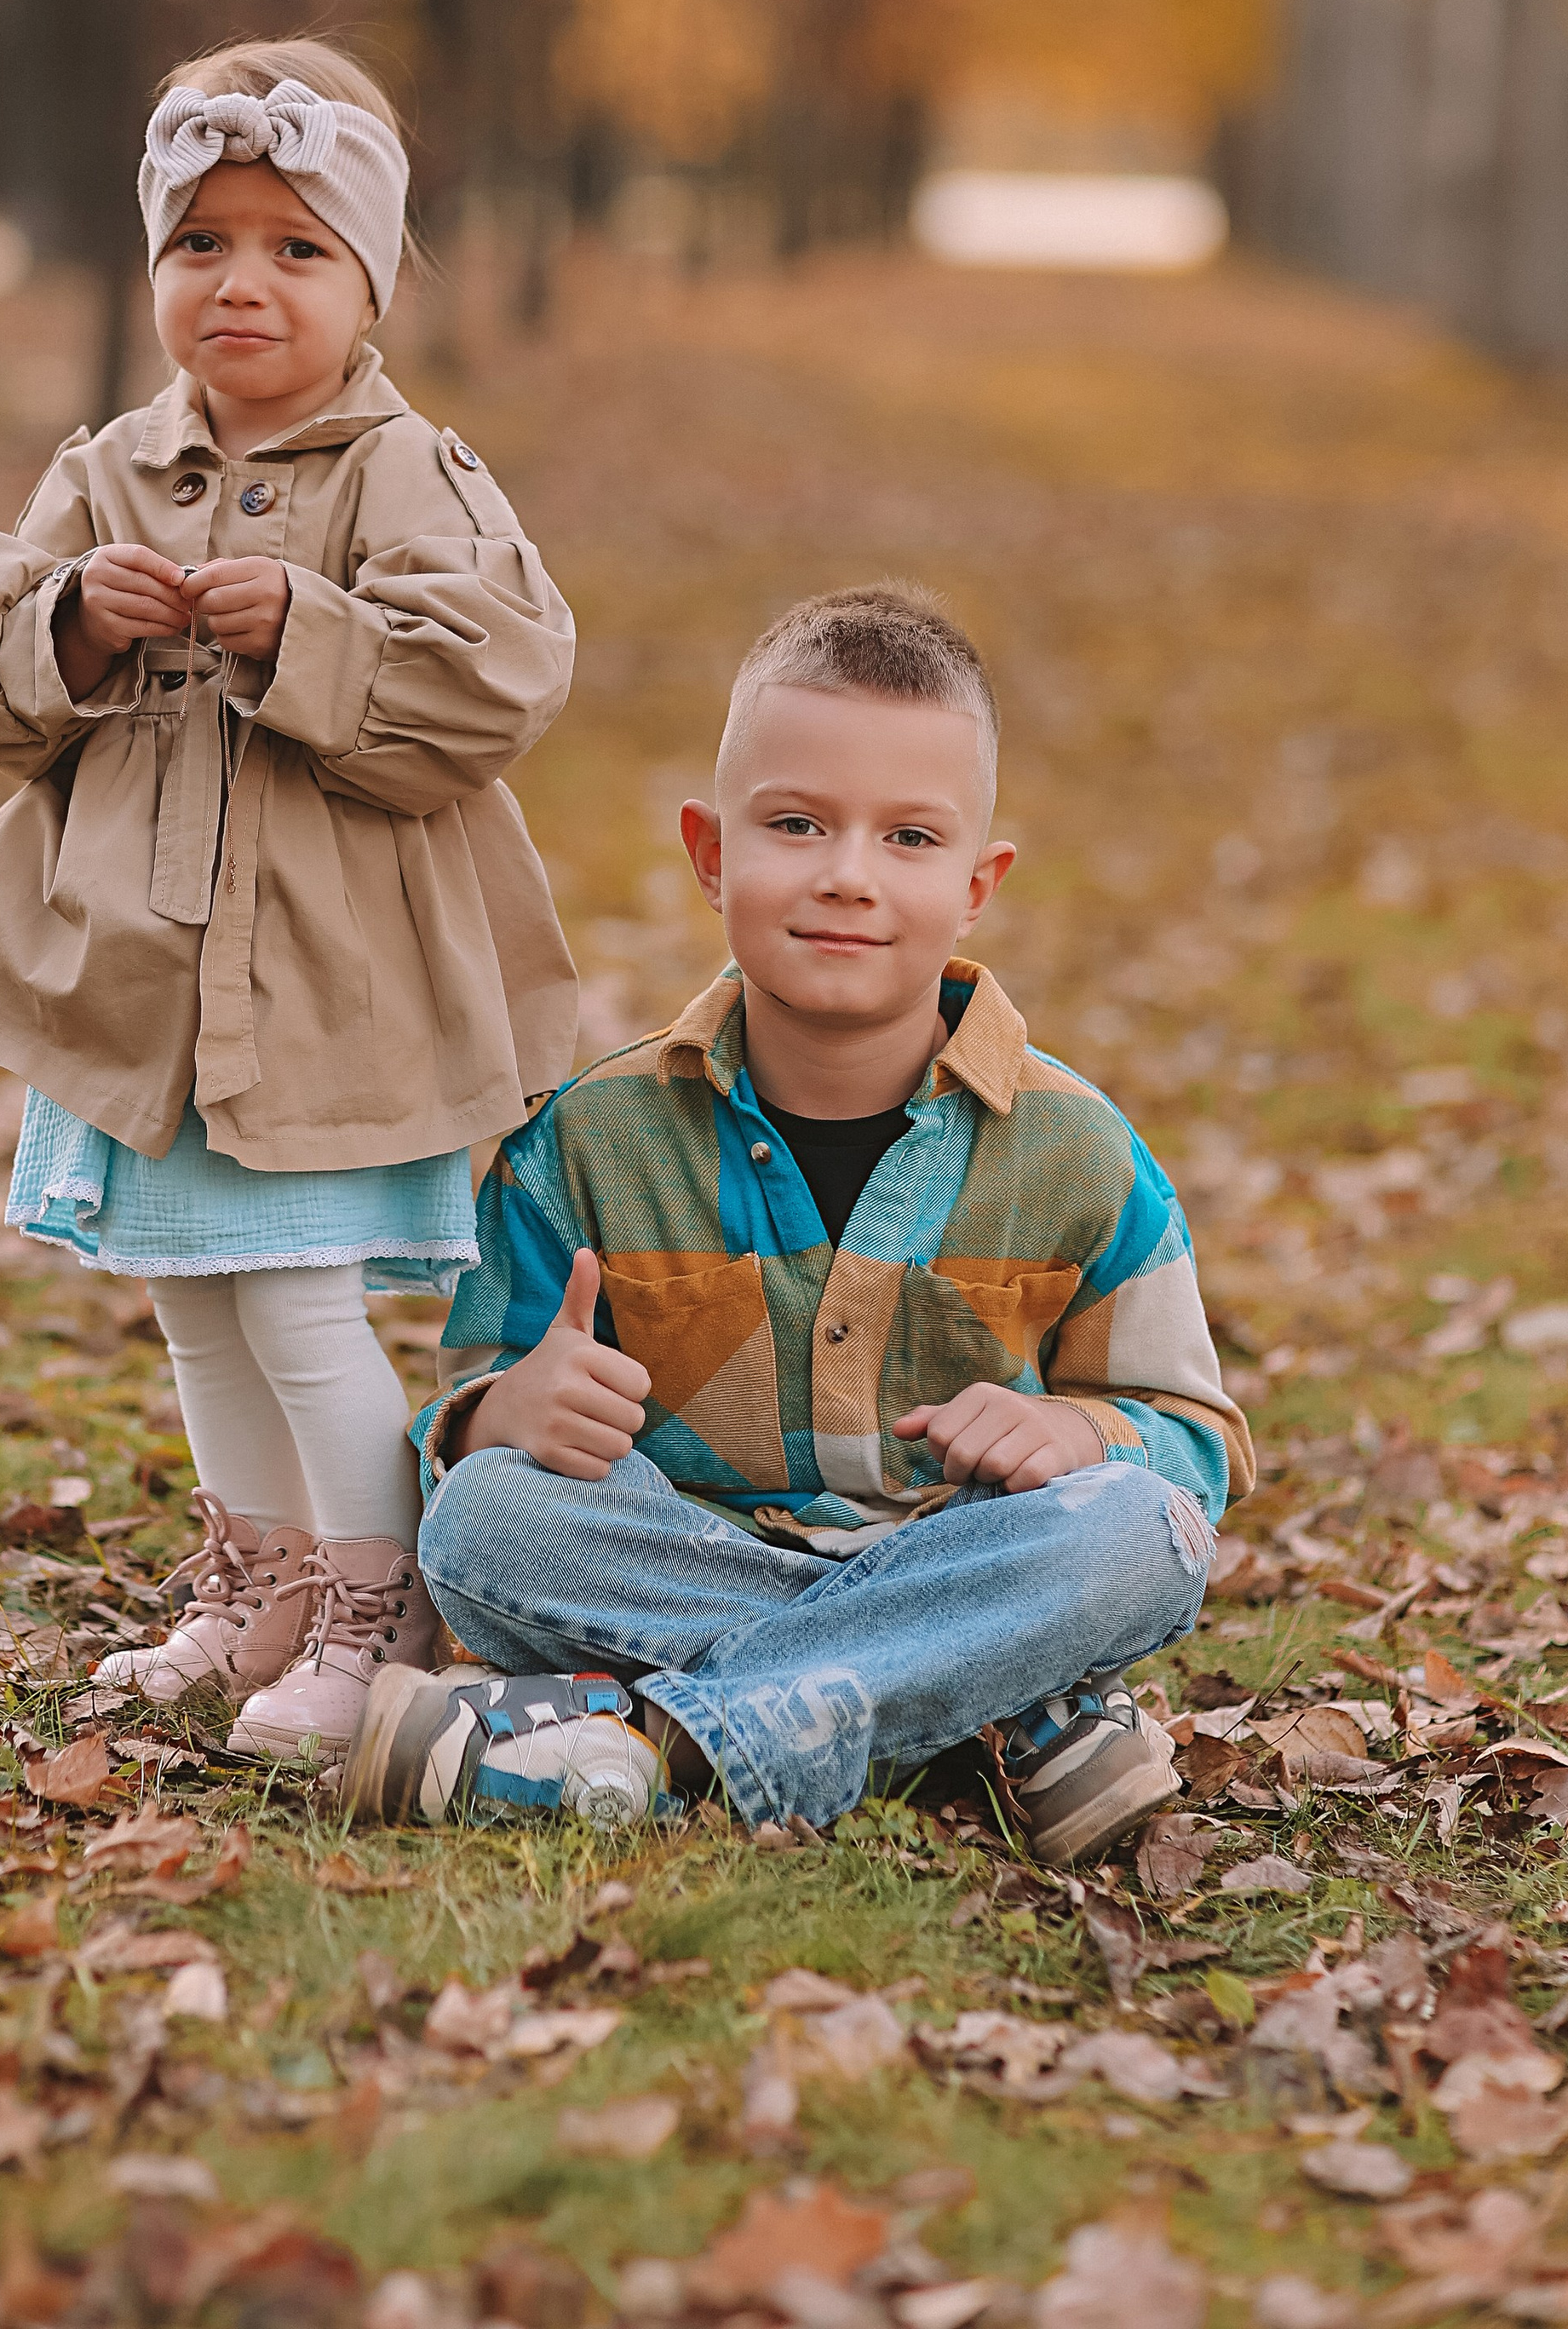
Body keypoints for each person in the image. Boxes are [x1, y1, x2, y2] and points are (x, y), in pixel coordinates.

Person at [0, 40, 578, 1759]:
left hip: (327, 981)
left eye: (294, 248)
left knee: (292, 1297)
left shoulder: (408, 472)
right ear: (150, 270)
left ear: (376, 280)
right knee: (192, 1295)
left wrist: (310, 632)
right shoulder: (109, 468)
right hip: (146, 977)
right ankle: (252, 1584)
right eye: (201, 244)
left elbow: (498, 677)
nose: (241, 283)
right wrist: (70, 618)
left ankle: (370, 1599)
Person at [344, 583, 1252, 1866]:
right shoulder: (587, 1144)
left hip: (962, 1551)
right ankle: (992, 1719)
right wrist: (508, 1410)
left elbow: (1196, 1448)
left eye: (910, 840)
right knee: (491, 1517)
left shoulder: (1078, 1155)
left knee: (1140, 1533)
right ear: (712, 853)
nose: (846, 876)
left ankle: (647, 1743)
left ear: (980, 882)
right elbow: (476, 1423)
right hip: (674, 1557)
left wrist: (1076, 1427)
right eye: (797, 823)